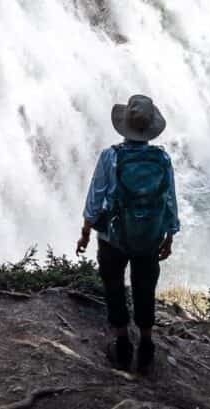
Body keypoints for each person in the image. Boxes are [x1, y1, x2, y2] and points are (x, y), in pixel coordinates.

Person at [75, 94, 180, 373]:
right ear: (150, 130)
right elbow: (170, 198)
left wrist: (85, 233)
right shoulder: (162, 158)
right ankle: (146, 346)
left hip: (113, 238)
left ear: (124, 126)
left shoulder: (110, 157)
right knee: (145, 288)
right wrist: (170, 235)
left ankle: (122, 345)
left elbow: (95, 198)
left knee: (114, 286)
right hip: (150, 236)